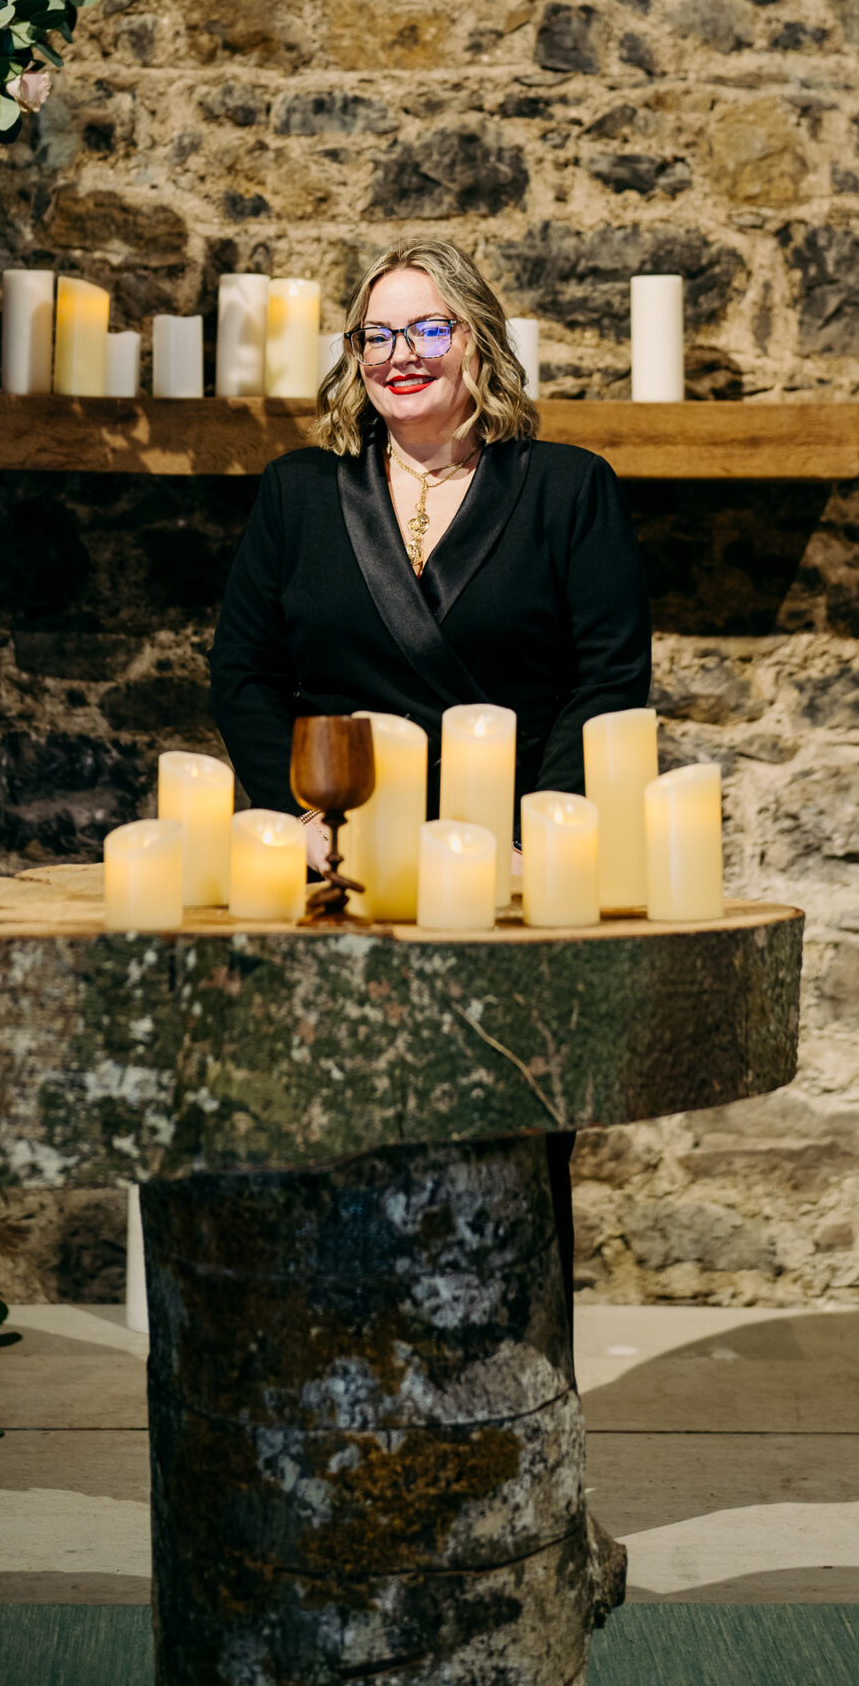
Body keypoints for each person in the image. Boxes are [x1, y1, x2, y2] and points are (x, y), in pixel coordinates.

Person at [208, 237, 653, 1325]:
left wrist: (537, 839)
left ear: (478, 341)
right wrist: (293, 822)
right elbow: (246, 672)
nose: (399, 354)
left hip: (500, 878)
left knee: (497, 1152)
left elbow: (608, 683)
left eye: (427, 328)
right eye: (375, 334)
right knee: (331, 1144)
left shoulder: (567, 490)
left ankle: (510, 1398)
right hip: (336, 869)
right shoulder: (299, 493)